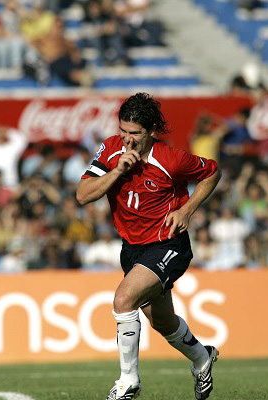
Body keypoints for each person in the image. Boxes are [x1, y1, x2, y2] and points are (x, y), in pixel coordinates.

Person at [76, 93, 221, 400]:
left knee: (124, 299)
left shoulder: (171, 159)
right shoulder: (111, 149)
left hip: (168, 243)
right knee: (163, 322)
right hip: (132, 249)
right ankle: (202, 358)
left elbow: (212, 172)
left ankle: (128, 382)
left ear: (152, 131)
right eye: (123, 130)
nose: (128, 139)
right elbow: (83, 194)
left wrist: (187, 210)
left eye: (136, 133)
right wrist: (117, 171)